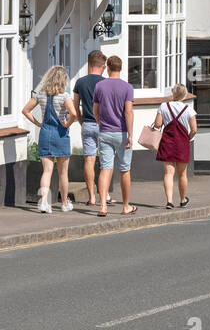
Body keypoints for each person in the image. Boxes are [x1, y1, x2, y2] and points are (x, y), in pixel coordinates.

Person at [22, 66, 79, 214]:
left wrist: (37, 123)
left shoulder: (40, 95)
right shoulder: (64, 96)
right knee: (63, 173)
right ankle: (65, 203)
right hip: (60, 135)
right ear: (62, 80)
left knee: (46, 171)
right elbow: (73, 113)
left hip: (45, 133)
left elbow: (25, 110)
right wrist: (67, 123)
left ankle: (44, 202)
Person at [92, 55, 136, 216]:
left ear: (108, 68)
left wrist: (100, 123)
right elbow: (128, 112)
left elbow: (95, 110)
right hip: (122, 132)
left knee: (105, 168)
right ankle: (126, 206)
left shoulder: (99, 86)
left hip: (105, 131)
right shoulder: (127, 87)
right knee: (124, 169)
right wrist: (131, 134)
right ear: (121, 68)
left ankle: (102, 206)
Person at [153, 84, 198, 209]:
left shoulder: (164, 106)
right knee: (182, 174)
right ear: (184, 95)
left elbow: (157, 124)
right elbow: (194, 129)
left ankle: (169, 201)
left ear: (173, 93)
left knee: (168, 173)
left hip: (167, 142)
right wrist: (187, 138)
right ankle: (183, 199)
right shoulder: (188, 109)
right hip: (182, 144)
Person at [72, 51, 107, 207]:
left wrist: (81, 122)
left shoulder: (80, 82)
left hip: (87, 123)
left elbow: (75, 107)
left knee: (89, 160)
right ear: (103, 66)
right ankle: (104, 196)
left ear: (89, 64)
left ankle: (92, 197)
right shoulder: (105, 83)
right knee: (106, 162)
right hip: (104, 125)